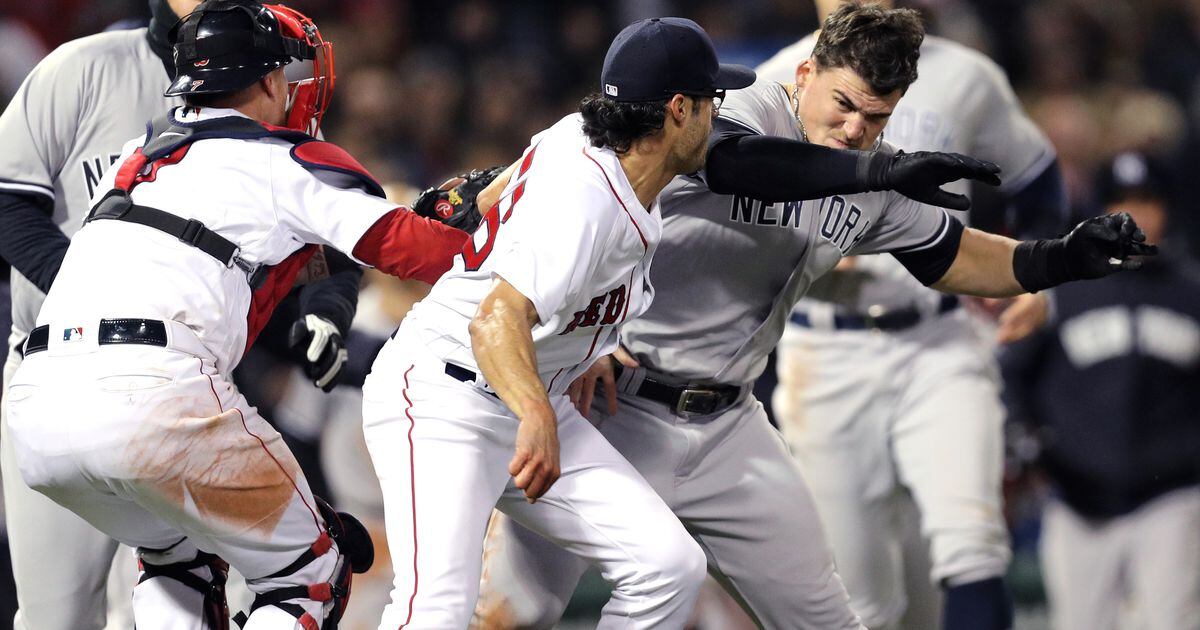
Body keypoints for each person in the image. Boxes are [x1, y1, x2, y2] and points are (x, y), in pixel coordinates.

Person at [473, 4, 1155, 629]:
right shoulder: (740, 106)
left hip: (728, 427)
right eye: (845, 105)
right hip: (611, 404)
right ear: (805, 73)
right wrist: (877, 173)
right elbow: (739, 165)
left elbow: (954, 255)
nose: (857, 128)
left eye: (878, 117)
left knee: (830, 620)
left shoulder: (873, 171)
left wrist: (1062, 258)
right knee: (517, 609)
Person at [3, 2, 469, 627]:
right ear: (271, 81)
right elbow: (418, 251)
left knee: (177, 556)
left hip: (38, 402)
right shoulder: (286, 159)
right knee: (313, 572)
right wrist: (491, 222)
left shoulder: (140, 162)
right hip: (151, 395)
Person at [756, 0, 1071, 627]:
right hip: (826, 351)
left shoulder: (965, 76)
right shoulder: (776, 79)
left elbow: (1037, 179)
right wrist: (806, 251)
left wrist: (1041, 284)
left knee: (972, 542)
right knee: (861, 601)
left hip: (938, 337)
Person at [1000, 151, 1200, 630]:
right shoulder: (1060, 289)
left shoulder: (1192, 293)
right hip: (1075, 496)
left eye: (1148, 201)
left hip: (1171, 496)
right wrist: (1024, 441)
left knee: (1172, 622)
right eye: (1122, 202)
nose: (1137, 215)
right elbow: (1011, 372)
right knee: (1080, 623)